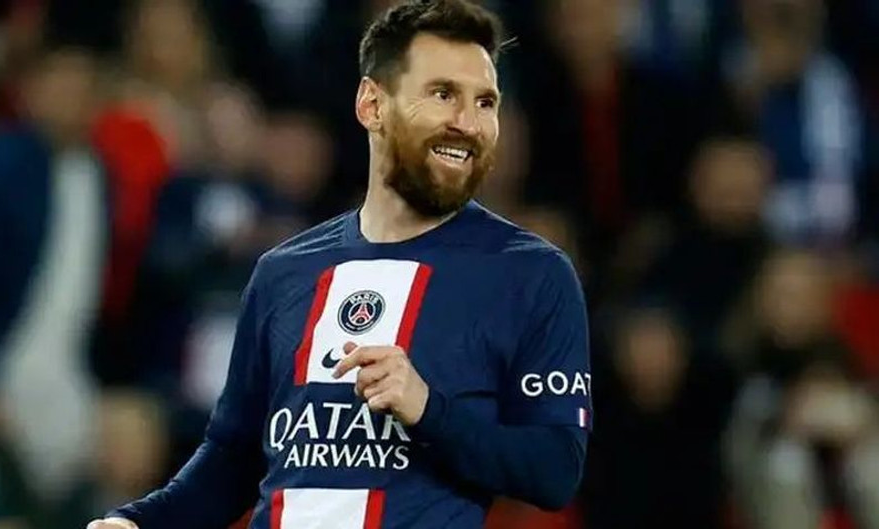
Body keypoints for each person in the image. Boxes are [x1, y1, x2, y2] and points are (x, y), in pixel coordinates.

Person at [88, 1, 591, 528]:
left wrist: (428, 409)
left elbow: (554, 471)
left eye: (485, 102)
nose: (468, 123)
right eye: (443, 94)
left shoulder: (530, 274)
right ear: (372, 104)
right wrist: (136, 521)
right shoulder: (284, 272)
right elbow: (231, 462)